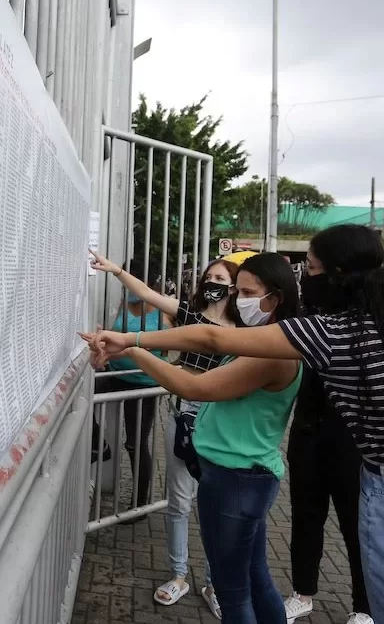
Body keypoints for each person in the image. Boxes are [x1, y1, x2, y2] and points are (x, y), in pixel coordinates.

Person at [87, 224, 384, 624]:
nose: (305, 278)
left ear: (337, 275)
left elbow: (213, 341)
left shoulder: (329, 332)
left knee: (240, 586)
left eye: (310, 269)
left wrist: (133, 343)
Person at [89, 254, 302, 624]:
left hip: (237, 477)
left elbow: (195, 386)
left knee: (233, 593)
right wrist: (132, 337)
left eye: (247, 292)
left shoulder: (271, 353)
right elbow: (204, 333)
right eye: (236, 290)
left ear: (275, 298)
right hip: (245, 473)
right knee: (254, 577)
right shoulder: (265, 339)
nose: (237, 298)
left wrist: (133, 348)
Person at [88, 250, 240, 615]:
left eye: (221, 280)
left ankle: (214, 583)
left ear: (235, 288)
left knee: (215, 508)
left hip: (222, 422)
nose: (213, 285)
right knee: (179, 501)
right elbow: (149, 293)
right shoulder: (189, 315)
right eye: (210, 278)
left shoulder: (246, 333)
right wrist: (117, 271)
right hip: (184, 417)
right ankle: (178, 574)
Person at [283, 284, 371, 624]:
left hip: (352, 442)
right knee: (305, 518)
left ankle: (364, 606)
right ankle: (302, 593)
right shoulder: (306, 321)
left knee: (355, 525)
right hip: (307, 434)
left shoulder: (369, 324)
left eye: (316, 270)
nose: (310, 277)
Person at [92, 259, 170, 510]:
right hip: (114, 377)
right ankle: (98, 445)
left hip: (144, 384)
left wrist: (113, 349)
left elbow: (150, 346)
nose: (129, 289)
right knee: (79, 396)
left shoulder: (164, 312)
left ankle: (139, 504)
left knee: (135, 442)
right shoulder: (124, 305)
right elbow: (116, 335)